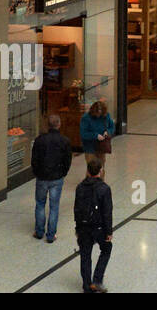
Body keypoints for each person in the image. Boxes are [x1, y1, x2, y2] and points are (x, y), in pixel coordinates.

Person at [31, 114, 73, 243]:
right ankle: (51, 234)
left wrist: (37, 172)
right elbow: (67, 160)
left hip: (42, 176)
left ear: (47, 125)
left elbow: (34, 159)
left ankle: (39, 232)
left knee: (40, 204)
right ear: (59, 124)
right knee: (54, 206)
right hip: (57, 176)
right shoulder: (65, 141)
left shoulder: (39, 140)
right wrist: (63, 172)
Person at [74, 158, 113, 292]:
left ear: (88, 171)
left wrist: (77, 228)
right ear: (100, 171)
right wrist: (109, 232)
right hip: (99, 227)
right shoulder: (104, 189)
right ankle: (97, 280)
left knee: (85, 255)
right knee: (106, 249)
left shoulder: (80, 187)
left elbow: (77, 209)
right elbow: (107, 212)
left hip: (84, 227)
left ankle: (86, 285)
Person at [79, 100, 114, 167]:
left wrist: (108, 132)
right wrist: (96, 135)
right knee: (91, 168)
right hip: (90, 146)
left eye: (100, 114)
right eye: (97, 113)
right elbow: (83, 133)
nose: (98, 115)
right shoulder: (86, 118)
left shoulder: (106, 116)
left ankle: (100, 177)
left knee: (101, 166)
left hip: (101, 145)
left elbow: (111, 126)